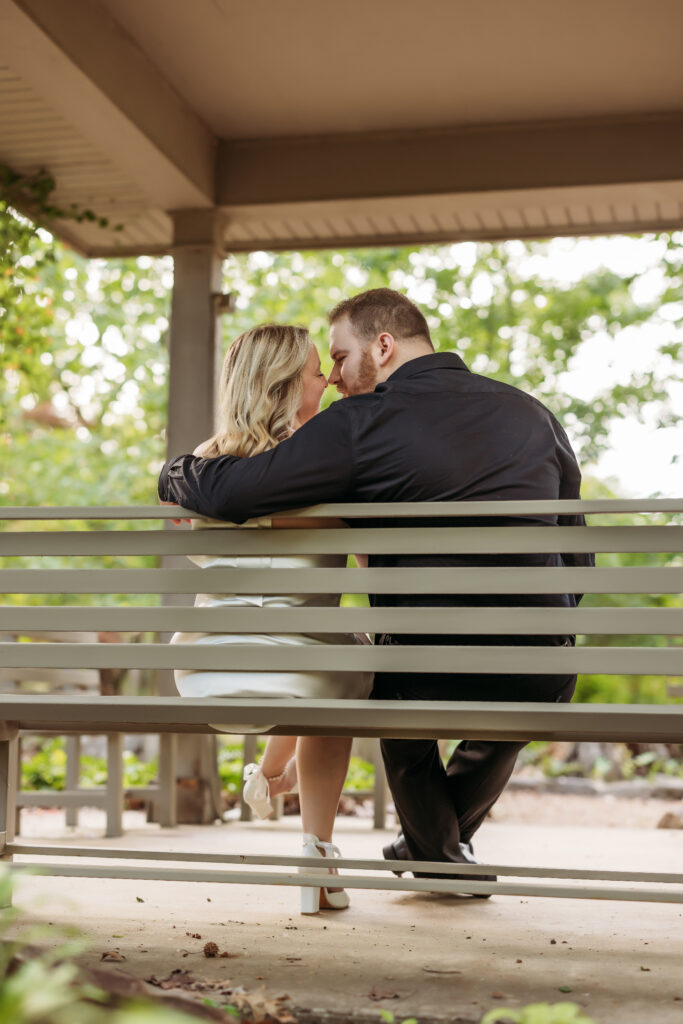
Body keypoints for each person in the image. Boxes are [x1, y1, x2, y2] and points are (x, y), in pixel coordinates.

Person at [159, 288, 594, 889]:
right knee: (531, 682)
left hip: (420, 664)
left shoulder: (362, 421)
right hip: (538, 667)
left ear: (383, 346)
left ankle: (434, 851)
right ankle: (433, 847)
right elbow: (577, 552)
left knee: (386, 679)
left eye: (339, 358)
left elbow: (238, 489)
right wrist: (553, 629)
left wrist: (176, 471)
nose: (335, 377)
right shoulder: (533, 413)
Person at [165, 323, 372, 914]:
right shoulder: (327, 465)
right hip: (305, 674)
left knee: (309, 651)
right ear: (284, 383)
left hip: (203, 670)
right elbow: (374, 564)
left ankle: (275, 775)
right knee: (344, 655)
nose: (328, 381)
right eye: (316, 373)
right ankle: (315, 847)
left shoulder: (203, 467)